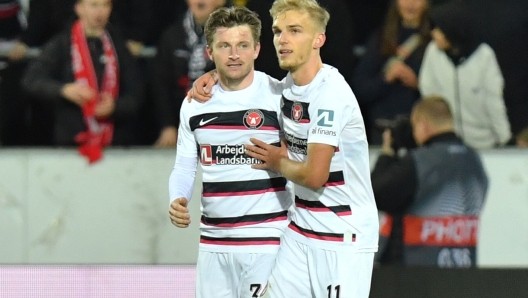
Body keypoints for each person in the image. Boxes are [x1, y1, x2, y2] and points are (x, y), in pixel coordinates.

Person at [190, 1, 379, 297]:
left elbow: (316, 175)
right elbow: (247, 85)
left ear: (319, 39)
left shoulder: (330, 93)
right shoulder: (286, 88)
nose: (283, 39)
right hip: (300, 230)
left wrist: (277, 160)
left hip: (343, 236)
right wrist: (215, 75)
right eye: (278, 31)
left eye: (295, 30)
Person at [167, 6, 292, 298]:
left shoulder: (279, 97)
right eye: (225, 46)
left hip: (267, 243)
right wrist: (177, 197)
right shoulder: (195, 104)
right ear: (210, 52)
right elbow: (185, 166)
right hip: (213, 245)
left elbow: (302, 157)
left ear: (257, 49)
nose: (234, 54)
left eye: (242, 45)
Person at [371, 96, 488, 267]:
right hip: (464, 267)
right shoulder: (474, 162)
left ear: (423, 123)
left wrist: (387, 153)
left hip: (417, 271)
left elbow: (378, 193)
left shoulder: (420, 162)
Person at [21, 0, 143, 163]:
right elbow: (31, 79)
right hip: (70, 144)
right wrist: (63, 90)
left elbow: (137, 92)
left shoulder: (118, 46)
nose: (100, 12)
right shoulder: (62, 43)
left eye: (105, 5)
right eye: (93, 5)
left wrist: (115, 106)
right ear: (79, 8)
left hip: (115, 145)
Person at [418, 2, 511, 149]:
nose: (433, 33)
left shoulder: (484, 56)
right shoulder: (433, 52)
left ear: (452, 30)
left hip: (484, 144)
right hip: (446, 144)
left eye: (439, 29)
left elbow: (494, 101)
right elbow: (429, 95)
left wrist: (505, 139)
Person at [353, 0, 431, 145]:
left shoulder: (434, 42)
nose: (411, 4)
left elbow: (444, 97)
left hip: (422, 132)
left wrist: (418, 84)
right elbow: (360, 89)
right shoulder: (380, 39)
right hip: (383, 130)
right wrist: (386, 79)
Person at [151, 0, 225, 148]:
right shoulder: (171, 37)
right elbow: (161, 86)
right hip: (179, 126)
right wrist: (168, 125)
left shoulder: (235, 35)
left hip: (223, 125)